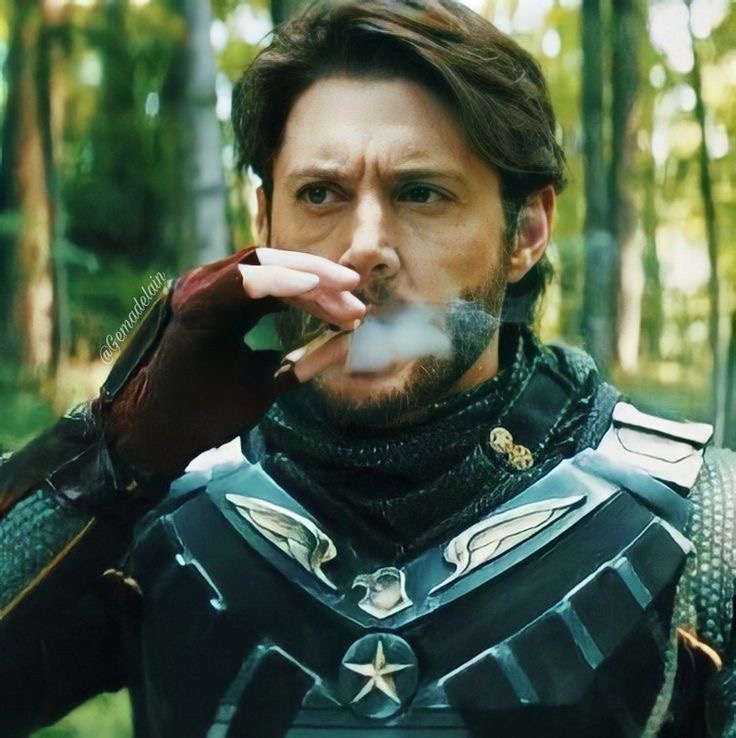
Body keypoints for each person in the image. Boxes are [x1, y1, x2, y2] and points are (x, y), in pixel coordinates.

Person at [1, 1, 734, 736]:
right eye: (320, 194)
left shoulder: (705, 522)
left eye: (421, 193)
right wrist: (110, 455)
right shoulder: (155, 495)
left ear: (527, 232)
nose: (364, 248)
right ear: (265, 223)